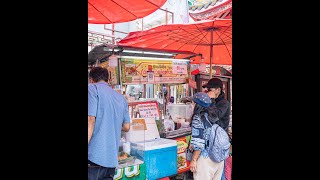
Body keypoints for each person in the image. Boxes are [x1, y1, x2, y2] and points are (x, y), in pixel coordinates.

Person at [88, 67, 130, 180]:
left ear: (91, 79)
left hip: (94, 157)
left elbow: (90, 120)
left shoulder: (92, 89)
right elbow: (127, 127)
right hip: (111, 160)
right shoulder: (121, 98)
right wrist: (111, 123)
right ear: (108, 80)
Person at [189, 92, 224, 180]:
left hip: (205, 159)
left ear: (197, 104)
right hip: (218, 157)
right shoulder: (213, 116)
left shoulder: (198, 118)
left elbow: (199, 142)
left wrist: (194, 160)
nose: (191, 104)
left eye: (193, 102)